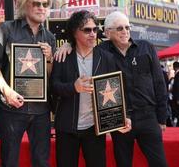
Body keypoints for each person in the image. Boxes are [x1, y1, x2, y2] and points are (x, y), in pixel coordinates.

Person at [55, 11, 168, 167]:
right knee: (123, 162)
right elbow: (55, 86)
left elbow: (158, 83)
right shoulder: (94, 53)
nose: (125, 31)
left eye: (127, 27)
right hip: (98, 121)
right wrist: (68, 45)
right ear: (108, 33)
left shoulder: (139, 49)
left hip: (142, 117)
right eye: (120, 28)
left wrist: (161, 117)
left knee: (159, 163)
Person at [51, 10, 131, 167]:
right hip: (67, 127)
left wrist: (121, 118)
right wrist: (73, 87)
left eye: (95, 29)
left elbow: (116, 92)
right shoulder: (63, 56)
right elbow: (53, 87)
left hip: (94, 129)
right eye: (87, 30)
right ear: (75, 32)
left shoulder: (107, 58)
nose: (93, 34)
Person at [0, 0, 56, 167]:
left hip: (41, 111)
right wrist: (6, 90)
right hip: (11, 110)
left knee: (41, 161)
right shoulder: (5, 29)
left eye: (45, 4)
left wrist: (49, 59)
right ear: (25, 4)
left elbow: (49, 76)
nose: (41, 8)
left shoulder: (50, 37)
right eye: (36, 3)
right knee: (10, 161)